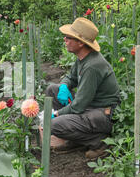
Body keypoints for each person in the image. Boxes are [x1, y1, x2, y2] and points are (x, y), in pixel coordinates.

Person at [41, 17, 120, 160]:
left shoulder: (92, 66)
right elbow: (70, 77)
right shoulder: (83, 58)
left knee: (53, 125)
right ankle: (77, 140)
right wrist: (64, 86)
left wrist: (57, 114)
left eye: (69, 37)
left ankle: (99, 142)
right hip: (89, 106)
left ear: (81, 43)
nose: (65, 39)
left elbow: (79, 105)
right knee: (53, 90)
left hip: (100, 113)